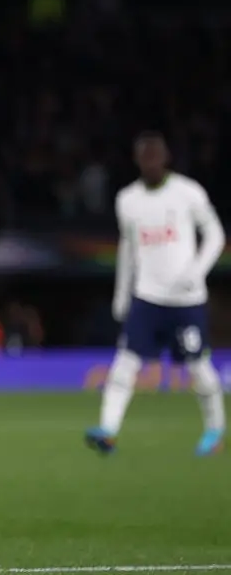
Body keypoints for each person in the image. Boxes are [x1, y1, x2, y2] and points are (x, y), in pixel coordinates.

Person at [87, 132, 224, 457]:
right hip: (147, 298)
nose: (150, 162)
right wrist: (122, 294)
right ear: (137, 161)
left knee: (198, 369)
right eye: (144, 157)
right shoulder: (128, 200)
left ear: (166, 158)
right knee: (125, 364)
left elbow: (215, 235)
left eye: (155, 156)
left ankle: (214, 430)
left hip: (185, 300)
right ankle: (107, 431)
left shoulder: (188, 193)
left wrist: (197, 271)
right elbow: (128, 248)